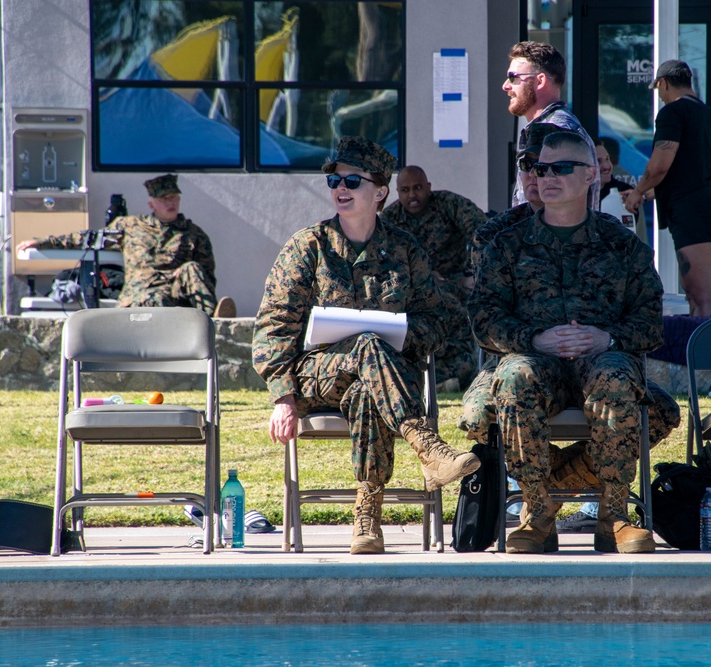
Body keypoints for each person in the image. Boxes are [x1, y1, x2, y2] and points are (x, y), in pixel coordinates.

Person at [253, 135, 480, 556]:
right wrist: (282, 398)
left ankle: (367, 516)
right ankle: (426, 445)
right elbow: (273, 326)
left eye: (352, 181)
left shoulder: (405, 249)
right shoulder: (310, 246)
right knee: (368, 345)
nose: (341, 189)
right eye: (335, 181)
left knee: (367, 387)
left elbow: (439, 318)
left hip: (381, 378)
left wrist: (404, 336)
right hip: (318, 374)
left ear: (380, 191)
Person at [461, 124, 680, 532]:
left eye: (560, 169)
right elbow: (484, 317)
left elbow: (650, 321)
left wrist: (608, 338)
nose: (546, 178)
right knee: (513, 376)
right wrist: (533, 339)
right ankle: (537, 512)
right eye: (539, 170)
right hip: (536, 361)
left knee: (616, 376)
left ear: (590, 174)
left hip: (601, 360)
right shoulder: (507, 245)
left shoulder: (622, 245)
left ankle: (612, 514)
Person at [17, 174, 235, 317]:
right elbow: (88, 238)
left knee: (192, 268)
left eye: (174, 198)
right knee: (156, 299)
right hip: (141, 295)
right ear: (152, 203)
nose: (170, 203)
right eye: (164, 199)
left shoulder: (193, 234)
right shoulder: (130, 226)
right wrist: (44, 242)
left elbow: (207, 275)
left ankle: (211, 323)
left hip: (176, 293)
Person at [624, 60, 711, 317]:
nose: (659, 96)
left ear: (664, 83)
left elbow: (660, 165)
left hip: (693, 210)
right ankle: (698, 356)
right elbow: (695, 168)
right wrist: (653, 192)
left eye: (658, 89)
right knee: (697, 294)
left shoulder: (673, 112)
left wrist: (638, 191)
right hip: (709, 205)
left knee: (702, 295)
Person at [380, 165, 486, 391]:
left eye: (418, 188)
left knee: (456, 322)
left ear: (429, 188)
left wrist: (471, 271)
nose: (412, 195)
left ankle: (454, 373)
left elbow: (482, 229)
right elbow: (382, 259)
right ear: (397, 192)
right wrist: (421, 275)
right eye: (405, 190)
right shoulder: (390, 218)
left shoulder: (448, 204)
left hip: (455, 284)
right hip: (412, 289)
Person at [503, 40, 599, 209]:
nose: (506, 86)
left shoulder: (557, 130)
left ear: (540, 81)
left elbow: (559, 210)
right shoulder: (549, 126)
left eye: (513, 77)